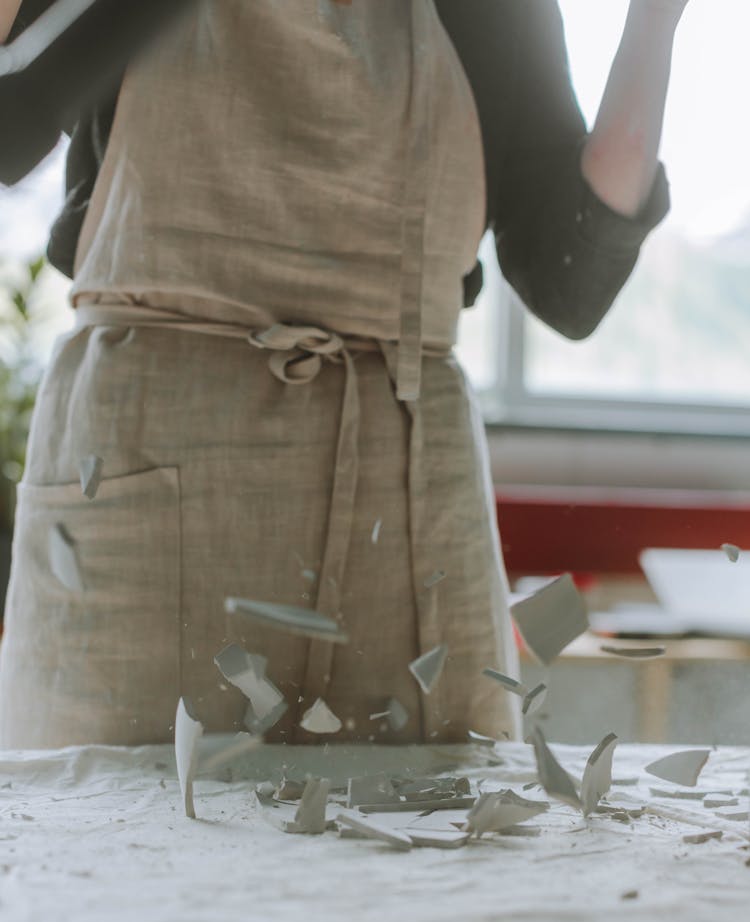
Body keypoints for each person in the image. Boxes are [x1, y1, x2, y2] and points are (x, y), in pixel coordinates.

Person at [0, 0, 685, 751]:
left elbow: (570, 279)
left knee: (433, 835)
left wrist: (655, 20)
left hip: (407, 481)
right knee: (119, 835)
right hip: (145, 468)